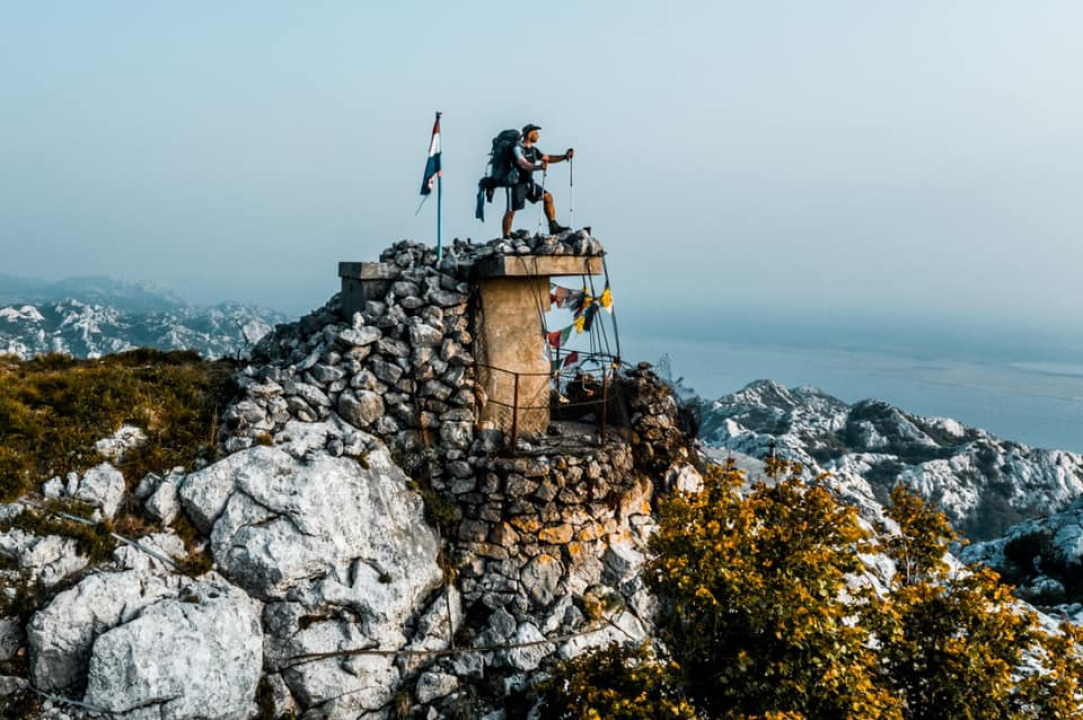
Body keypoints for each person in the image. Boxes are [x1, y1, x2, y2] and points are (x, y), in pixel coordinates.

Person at [502, 124, 574, 239]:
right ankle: (506, 236)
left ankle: (553, 226)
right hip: (515, 184)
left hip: (529, 183)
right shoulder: (517, 148)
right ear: (529, 134)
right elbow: (522, 163)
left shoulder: (534, 150)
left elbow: (547, 158)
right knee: (511, 210)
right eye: (536, 133)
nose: (538, 136)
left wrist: (565, 157)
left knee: (547, 197)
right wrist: (538, 168)